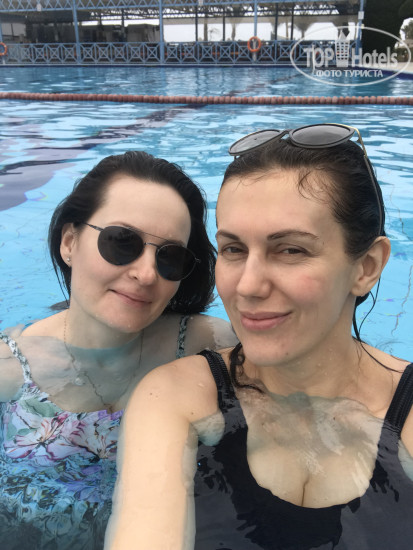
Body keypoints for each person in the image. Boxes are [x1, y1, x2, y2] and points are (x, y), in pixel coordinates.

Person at [106, 124, 413, 550]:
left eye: (290, 250)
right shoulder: (178, 399)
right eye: (233, 249)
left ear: (367, 267)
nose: (248, 286)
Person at [0, 150, 237, 550]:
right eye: (122, 242)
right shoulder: (9, 370)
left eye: (170, 257)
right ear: (70, 242)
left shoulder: (209, 346)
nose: (146, 274)